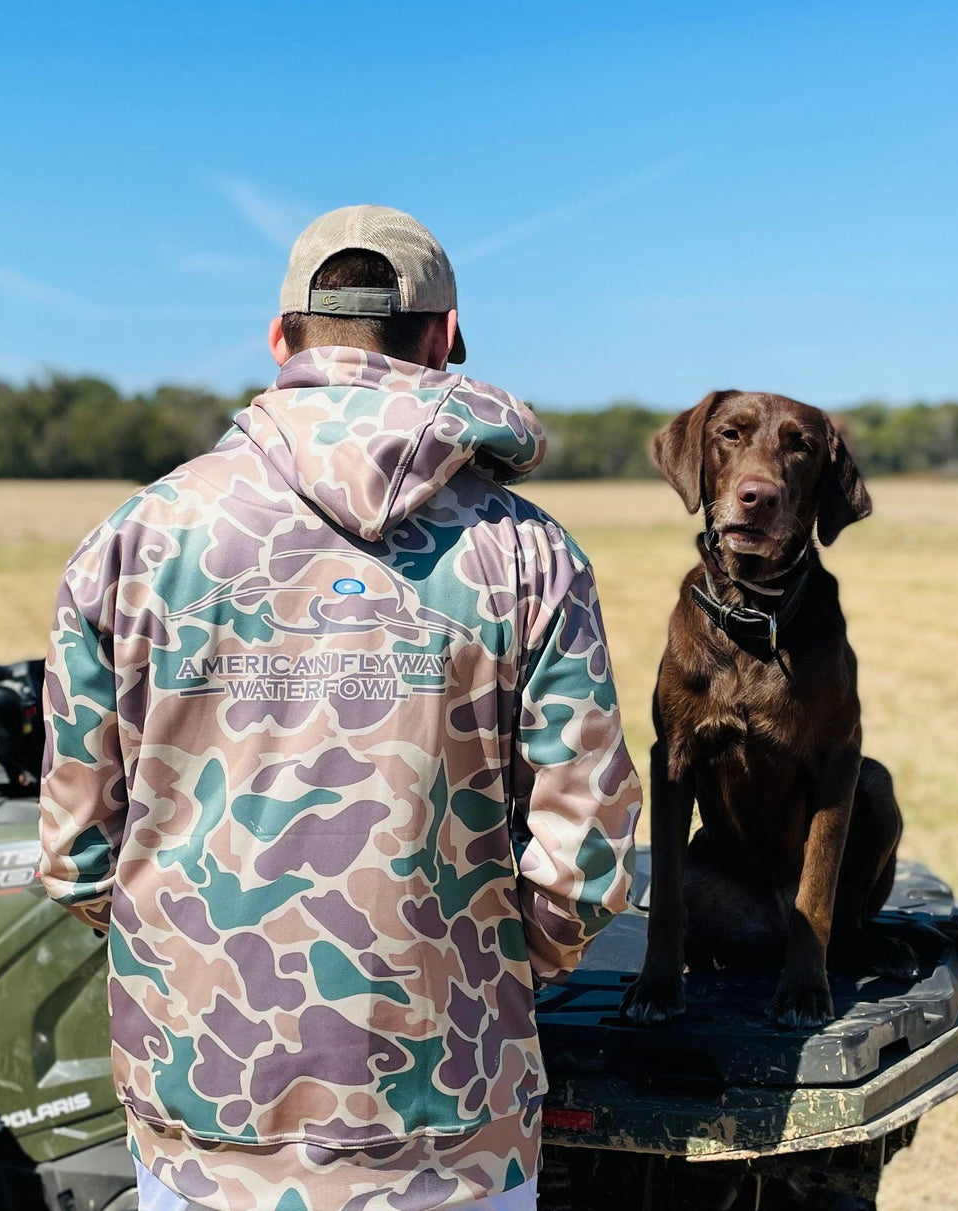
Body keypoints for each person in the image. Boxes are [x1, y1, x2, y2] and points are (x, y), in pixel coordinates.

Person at [39, 204, 641, 1211]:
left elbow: (75, 850)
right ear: (445, 336)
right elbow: (584, 861)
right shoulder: (528, 553)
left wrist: (191, 951)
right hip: (454, 1130)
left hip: (203, 1125)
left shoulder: (134, 539)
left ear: (279, 340)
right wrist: (476, 969)